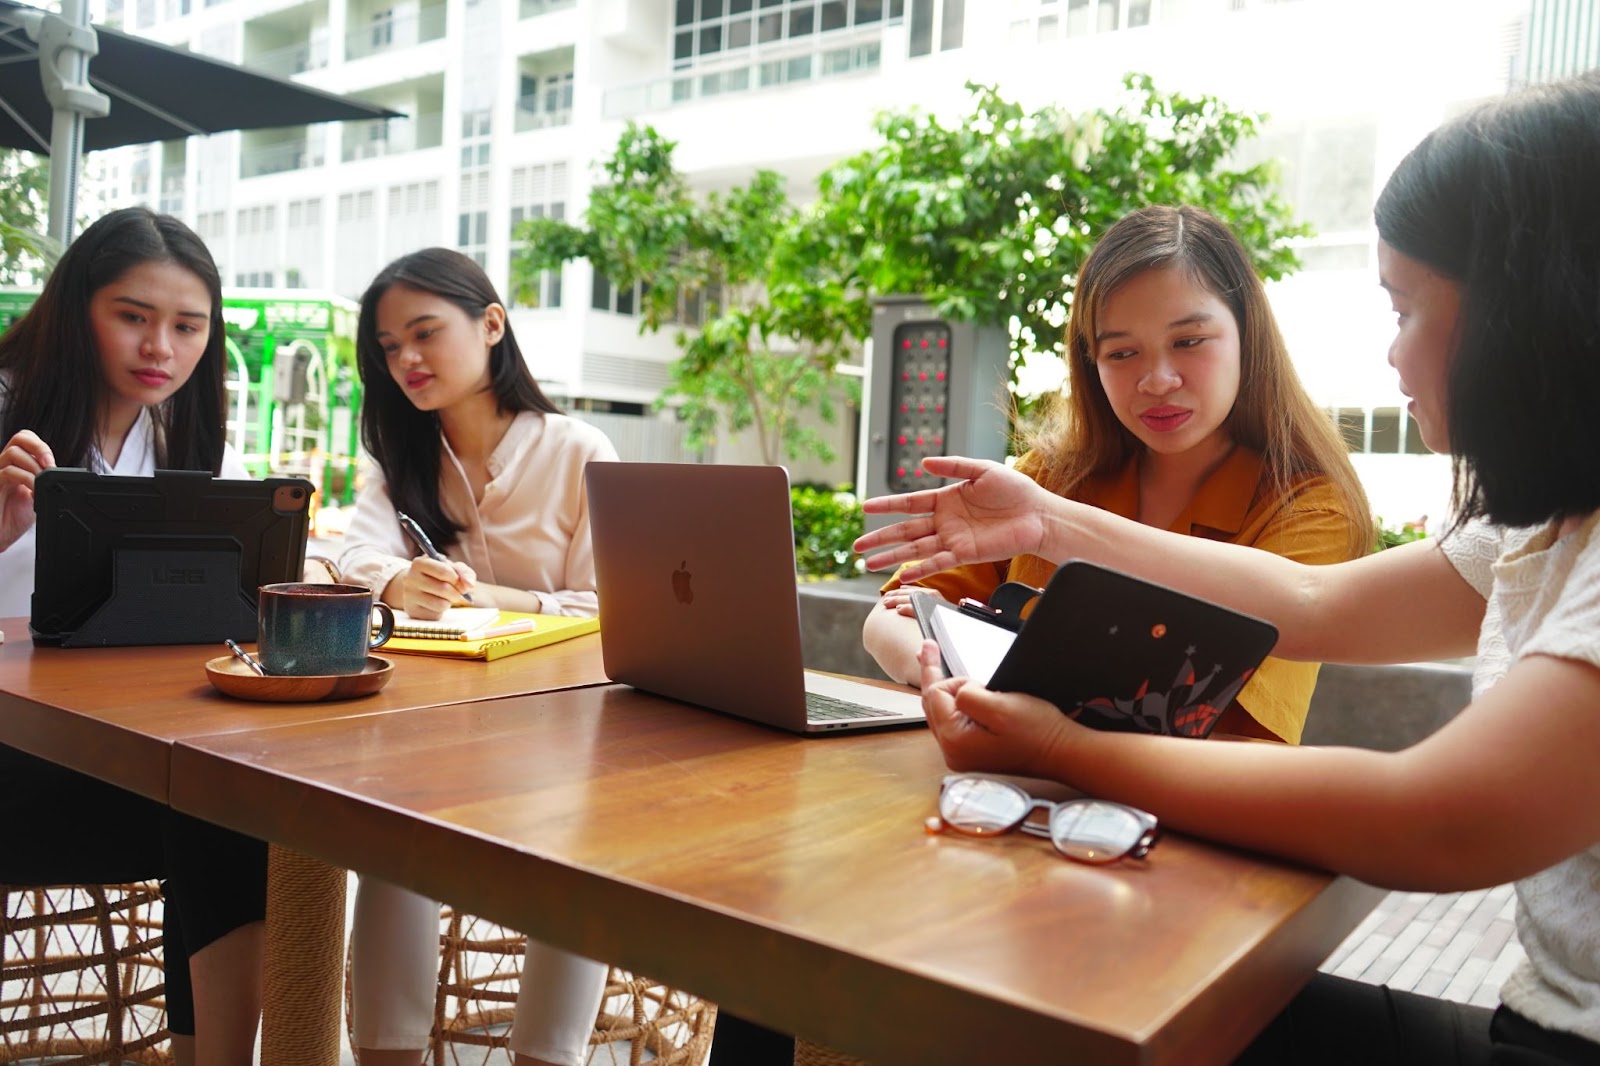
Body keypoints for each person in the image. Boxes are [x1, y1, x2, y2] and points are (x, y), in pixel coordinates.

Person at [854, 70, 1600, 1064]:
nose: (1390, 355)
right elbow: (1311, 601)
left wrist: (1059, 748)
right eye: (1117, 352)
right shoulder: (1543, 526)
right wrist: (1046, 517)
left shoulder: (1307, 493)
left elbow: (1442, 817)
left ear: (1530, 315)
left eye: (1405, 310)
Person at [864, 204, 1371, 743]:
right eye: (1122, 352)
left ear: (1248, 334)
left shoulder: (1305, 511)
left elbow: (1228, 738)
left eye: (1189, 341)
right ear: (1091, 362)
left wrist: (983, 666)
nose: (1156, 380)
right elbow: (888, 622)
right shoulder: (1053, 475)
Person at [338, 247, 619, 1066]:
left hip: (562, 728)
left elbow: (606, 606)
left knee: (579, 852)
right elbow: (351, 558)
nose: (406, 361)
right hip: (435, 725)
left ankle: (547, 1055)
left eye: (424, 334)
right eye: (388, 348)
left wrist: (493, 602)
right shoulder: (402, 455)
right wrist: (397, 578)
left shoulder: (577, 450)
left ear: (492, 324)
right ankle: (388, 1054)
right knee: (391, 831)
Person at [0, 206, 266, 1066]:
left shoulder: (182, 444)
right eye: (133, 317)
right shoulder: (7, 407)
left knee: (230, 802)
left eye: (188, 326)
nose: (163, 347)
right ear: (79, 307)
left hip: (113, 753)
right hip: (15, 756)